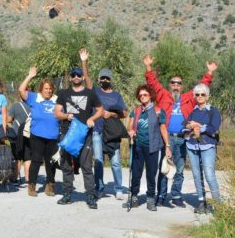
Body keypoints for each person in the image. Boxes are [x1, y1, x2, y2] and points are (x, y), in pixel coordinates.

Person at [144, 55, 217, 208]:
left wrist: (209, 72)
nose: (175, 85)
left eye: (178, 83)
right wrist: (149, 68)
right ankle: (162, 196)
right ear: (169, 85)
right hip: (167, 138)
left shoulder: (188, 98)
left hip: (184, 137)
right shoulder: (163, 95)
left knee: (180, 168)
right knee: (165, 167)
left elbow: (201, 87)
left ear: (182, 86)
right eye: (173, 83)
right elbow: (153, 84)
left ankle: (176, 195)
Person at [80, 49, 128, 199]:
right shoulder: (94, 92)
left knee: (115, 162)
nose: (104, 80)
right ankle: (99, 188)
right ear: (99, 79)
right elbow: (86, 78)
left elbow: (125, 113)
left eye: (107, 78)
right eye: (102, 78)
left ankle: (119, 189)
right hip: (97, 131)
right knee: (99, 161)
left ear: (110, 80)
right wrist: (84, 61)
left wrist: (112, 114)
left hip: (112, 133)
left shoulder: (116, 96)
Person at [55, 65, 104, 209]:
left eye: (78, 75)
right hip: (67, 134)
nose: (76, 77)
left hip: (85, 135)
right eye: (73, 75)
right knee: (66, 166)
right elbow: (56, 113)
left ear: (82, 77)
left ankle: (90, 195)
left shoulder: (90, 93)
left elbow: (101, 110)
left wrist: (92, 119)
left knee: (86, 166)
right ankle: (67, 194)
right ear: (70, 78)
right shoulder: (63, 93)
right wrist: (66, 115)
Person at [123, 85, 170, 211]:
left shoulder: (158, 111)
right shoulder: (136, 110)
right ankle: (133, 197)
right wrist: (131, 131)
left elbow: (163, 129)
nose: (142, 97)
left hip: (153, 147)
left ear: (151, 96)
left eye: (145, 95)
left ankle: (150, 198)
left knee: (151, 174)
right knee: (136, 173)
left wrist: (168, 146)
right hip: (138, 146)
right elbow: (130, 126)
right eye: (140, 95)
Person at [19, 66, 59, 197]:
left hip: (53, 136)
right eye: (46, 88)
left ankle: (50, 186)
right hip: (37, 135)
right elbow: (21, 90)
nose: (48, 91)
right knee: (36, 160)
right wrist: (30, 76)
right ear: (41, 89)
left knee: (51, 161)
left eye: (50, 89)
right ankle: (32, 186)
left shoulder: (57, 100)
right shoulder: (34, 97)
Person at [183, 83, 222, 214]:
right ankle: (201, 202)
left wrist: (199, 126)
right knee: (196, 175)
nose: (199, 96)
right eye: (197, 94)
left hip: (207, 146)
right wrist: (189, 127)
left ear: (207, 96)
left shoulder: (213, 111)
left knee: (209, 175)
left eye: (202, 94)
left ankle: (218, 205)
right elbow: (184, 127)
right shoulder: (192, 112)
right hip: (192, 145)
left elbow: (214, 128)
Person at [7, 91, 32, 187]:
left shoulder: (15, 106)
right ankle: (28, 179)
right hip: (29, 134)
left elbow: (9, 119)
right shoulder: (32, 106)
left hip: (17, 134)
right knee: (27, 157)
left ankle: (15, 178)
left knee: (17, 157)